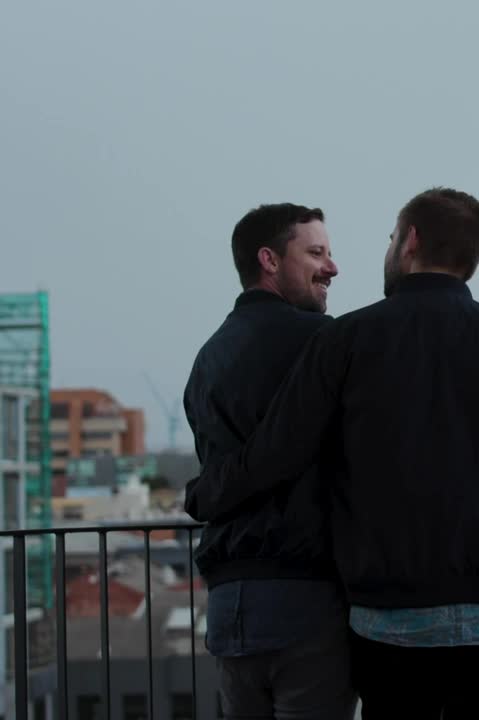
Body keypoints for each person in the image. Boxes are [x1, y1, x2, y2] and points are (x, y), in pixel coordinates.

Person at [185, 187, 479, 719]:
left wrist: (203, 493)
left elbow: (277, 453)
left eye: (391, 237)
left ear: (411, 241)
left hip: (391, 617)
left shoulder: (344, 340)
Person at [183, 203, 355, 719]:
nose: (333, 267)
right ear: (269, 260)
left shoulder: (207, 358)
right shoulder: (324, 343)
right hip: (306, 598)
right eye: (317, 253)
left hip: (230, 605)